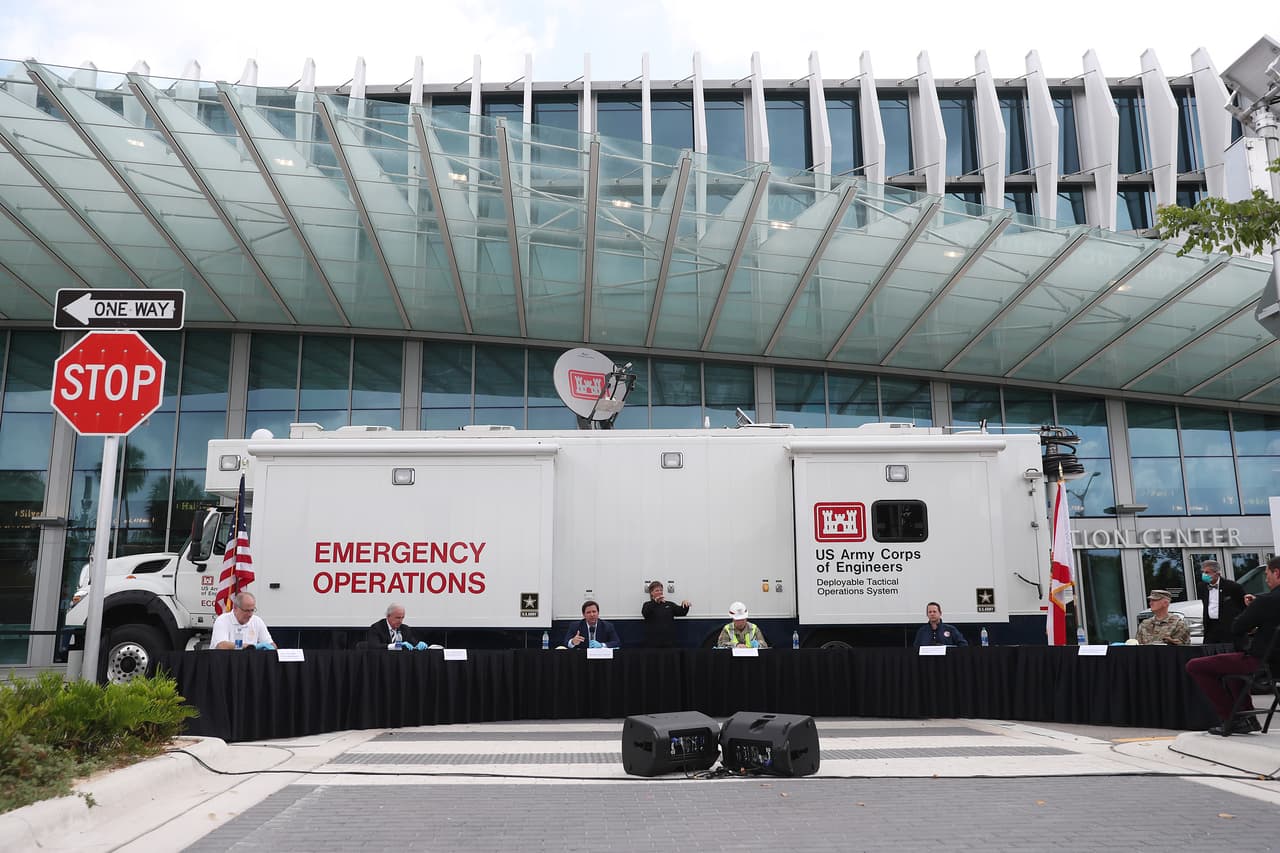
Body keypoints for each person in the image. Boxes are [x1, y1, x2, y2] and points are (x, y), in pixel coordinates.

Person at [1185, 556, 1280, 735]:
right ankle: (1247, 718)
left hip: (1262, 662)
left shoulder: (1265, 601)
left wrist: (1254, 610)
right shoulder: (1265, 600)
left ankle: (1232, 718)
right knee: (1232, 668)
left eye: (1267, 574)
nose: (1266, 579)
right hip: (1272, 665)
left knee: (1195, 666)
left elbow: (1238, 627)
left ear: (1277, 573)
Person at [1195, 560, 1247, 645]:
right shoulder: (1202, 586)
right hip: (1211, 627)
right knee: (1209, 653)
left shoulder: (1233, 587)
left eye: (1207, 572)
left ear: (1217, 574)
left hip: (1228, 628)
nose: (1204, 575)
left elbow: (1243, 606)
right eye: (1203, 572)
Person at [642, 581, 690, 648]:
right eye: (657, 590)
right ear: (651, 593)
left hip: (669, 642)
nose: (659, 592)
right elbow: (645, 614)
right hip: (653, 642)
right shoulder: (647, 605)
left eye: (661, 590)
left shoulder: (669, 604)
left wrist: (685, 604)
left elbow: (681, 612)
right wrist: (655, 602)